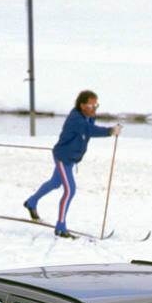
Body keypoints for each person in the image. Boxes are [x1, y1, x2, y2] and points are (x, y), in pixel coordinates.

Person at [23, 90, 121, 238]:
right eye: (91, 105)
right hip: (63, 157)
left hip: (71, 158)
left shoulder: (89, 116)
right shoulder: (76, 119)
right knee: (70, 190)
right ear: (82, 105)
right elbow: (89, 130)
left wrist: (109, 130)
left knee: (55, 183)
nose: (95, 109)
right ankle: (60, 227)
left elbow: (90, 128)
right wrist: (110, 131)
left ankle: (31, 202)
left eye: (96, 105)